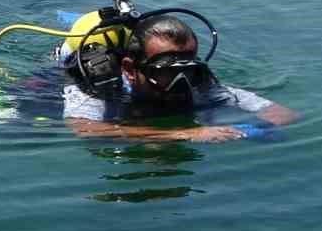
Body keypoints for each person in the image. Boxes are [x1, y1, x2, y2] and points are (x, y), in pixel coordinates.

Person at [62, 15, 298, 142]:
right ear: (130, 69)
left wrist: (245, 129)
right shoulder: (99, 90)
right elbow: (85, 129)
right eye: (167, 72)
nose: (181, 82)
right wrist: (181, 134)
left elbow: (284, 114)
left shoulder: (199, 84)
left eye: (188, 69)